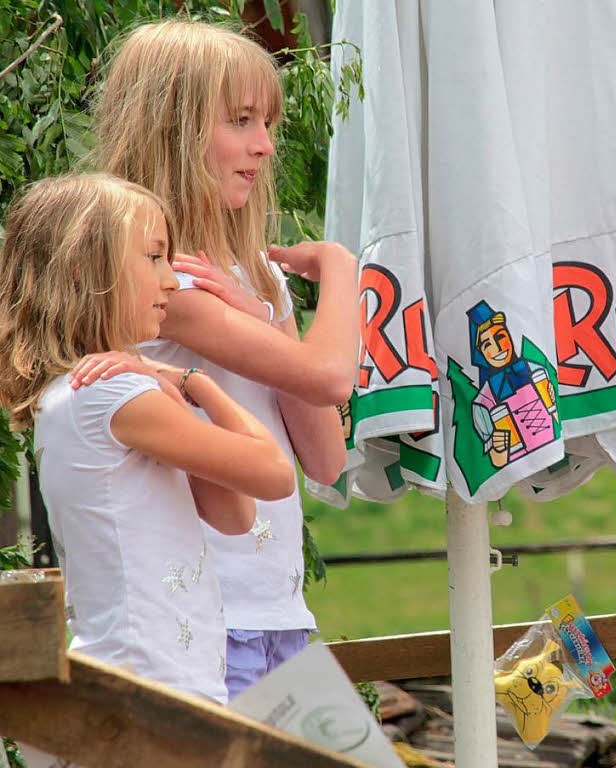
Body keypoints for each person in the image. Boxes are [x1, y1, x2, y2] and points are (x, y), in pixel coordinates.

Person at [91, 20, 359, 696]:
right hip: (202, 621)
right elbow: (331, 375)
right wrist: (340, 265)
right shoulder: (163, 277)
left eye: (266, 123)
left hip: (278, 612)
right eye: (242, 121)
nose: (264, 146)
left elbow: (326, 459)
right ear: (173, 129)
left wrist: (265, 313)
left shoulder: (252, 277)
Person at [0, 173, 296, 703]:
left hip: (152, 681)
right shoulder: (112, 392)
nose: (169, 281)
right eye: (154, 257)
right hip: (151, 692)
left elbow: (235, 515)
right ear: (90, 272)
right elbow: (275, 475)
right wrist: (199, 383)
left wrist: (177, 390)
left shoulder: (82, 390)